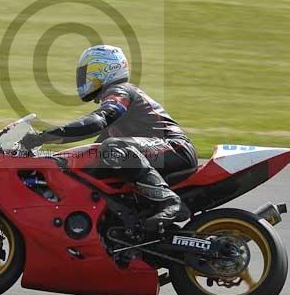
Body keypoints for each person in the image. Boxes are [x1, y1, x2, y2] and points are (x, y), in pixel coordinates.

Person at [20, 44, 197, 231]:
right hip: (151, 152)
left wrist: (48, 135)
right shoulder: (115, 106)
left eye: (89, 71)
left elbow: (100, 119)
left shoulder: (120, 91)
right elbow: (92, 151)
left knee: (112, 148)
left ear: (107, 68)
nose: (84, 78)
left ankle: (169, 202)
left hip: (174, 148)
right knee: (96, 163)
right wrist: (56, 161)